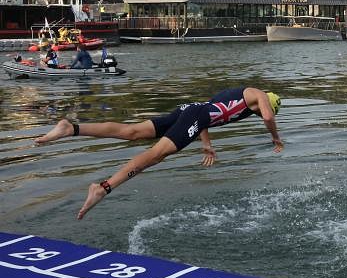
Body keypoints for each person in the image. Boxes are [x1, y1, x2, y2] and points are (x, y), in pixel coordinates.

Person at [34, 87, 283, 220]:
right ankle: (104, 187)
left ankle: (71, 128)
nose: (261, 114)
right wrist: (275, 137)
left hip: (189, 111)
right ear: (268, 102)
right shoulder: (257, 93)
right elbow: (269, 117)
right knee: (156, 154)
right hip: (194, 115)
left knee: (132, 132)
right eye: (261, 111)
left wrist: (206, 143)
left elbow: (205, 112)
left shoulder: (237, 98)